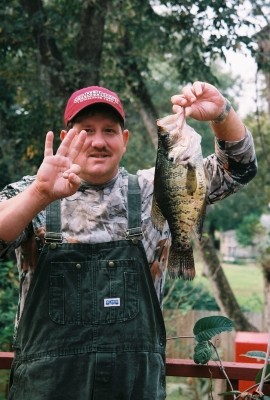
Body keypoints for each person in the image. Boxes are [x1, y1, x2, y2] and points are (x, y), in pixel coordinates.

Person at [0, 82, 257, 400]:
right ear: (66, 138)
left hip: (135, 388)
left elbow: (239, 169)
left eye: (109, 130)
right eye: (86, 129)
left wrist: (222, 112)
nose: (98, 141)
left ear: (124, 140)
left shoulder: (158, 187)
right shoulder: (30, 193)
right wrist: (39, 194)